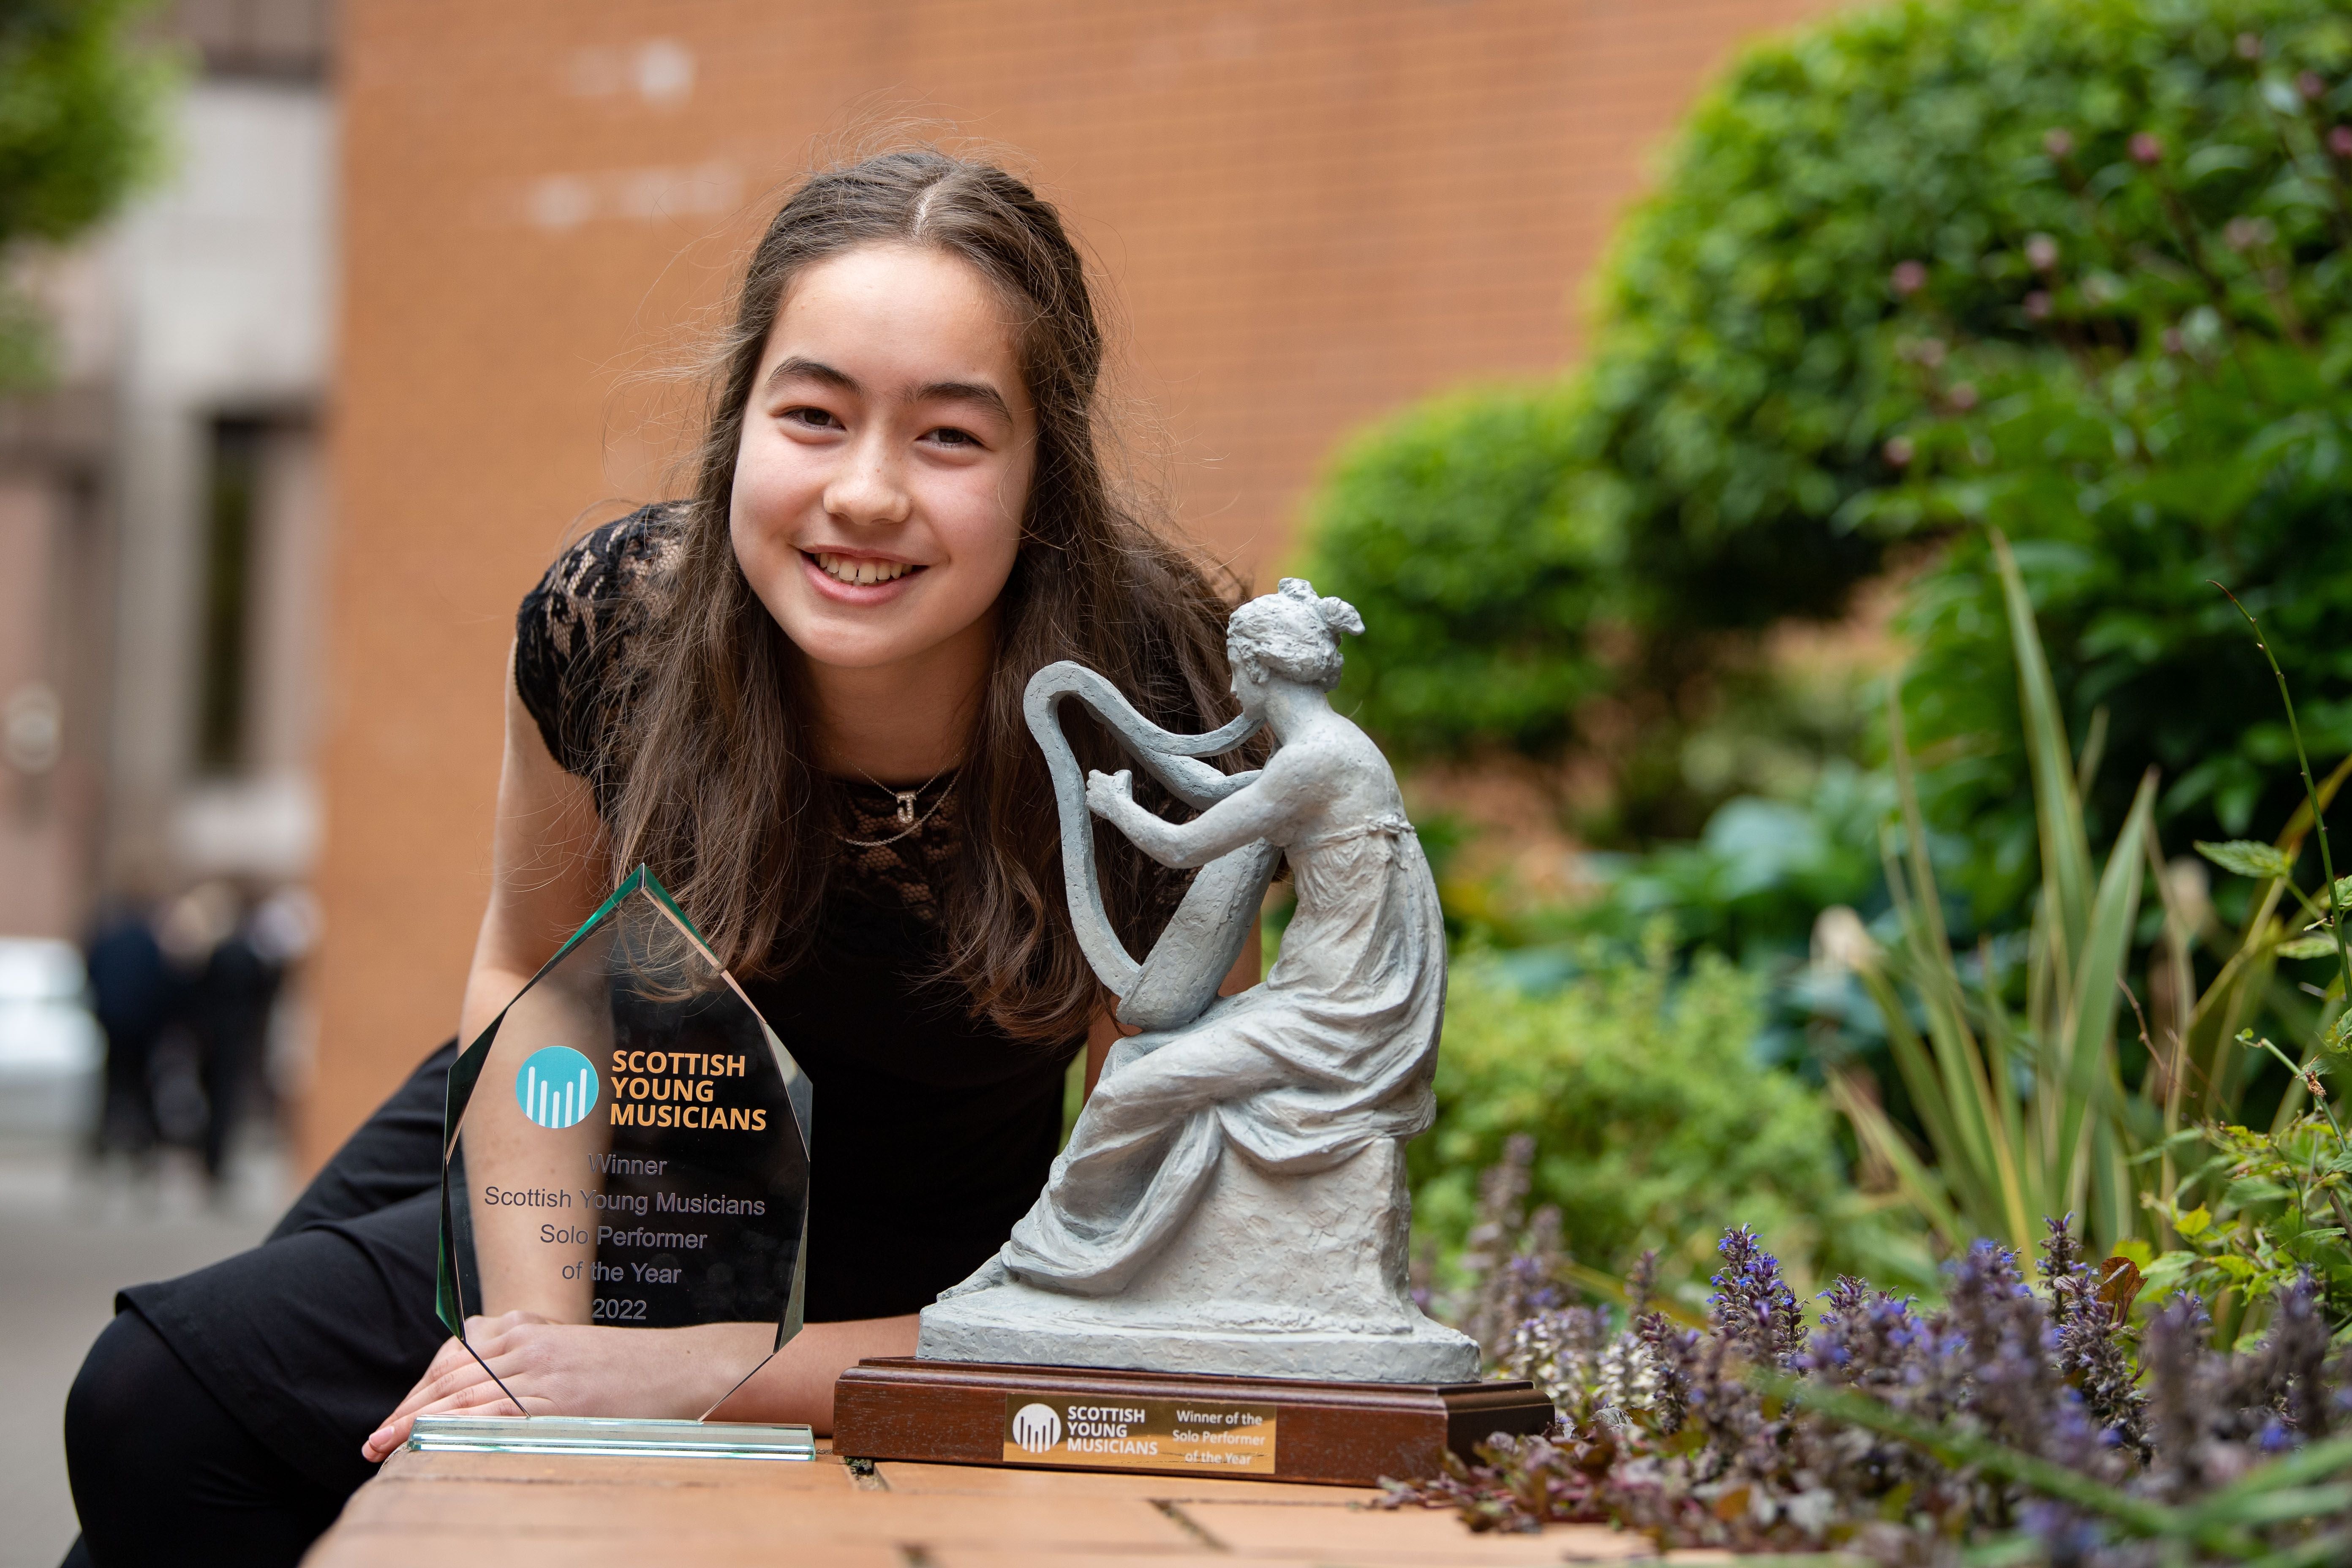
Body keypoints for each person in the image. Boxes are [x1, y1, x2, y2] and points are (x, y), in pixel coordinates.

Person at [60, 149, 1260, 1568]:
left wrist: (692, 1374)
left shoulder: (1164, 716)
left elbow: (1153, 1282)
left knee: (218, 1431)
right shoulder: (616, 622)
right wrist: (543, 1343)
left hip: (920, 1247)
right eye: (812, 415)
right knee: (172, 1417)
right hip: (588, 1133)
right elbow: (530, 964)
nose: (865, 494)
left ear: (1045, 469)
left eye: (950, 437)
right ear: (738, 420)